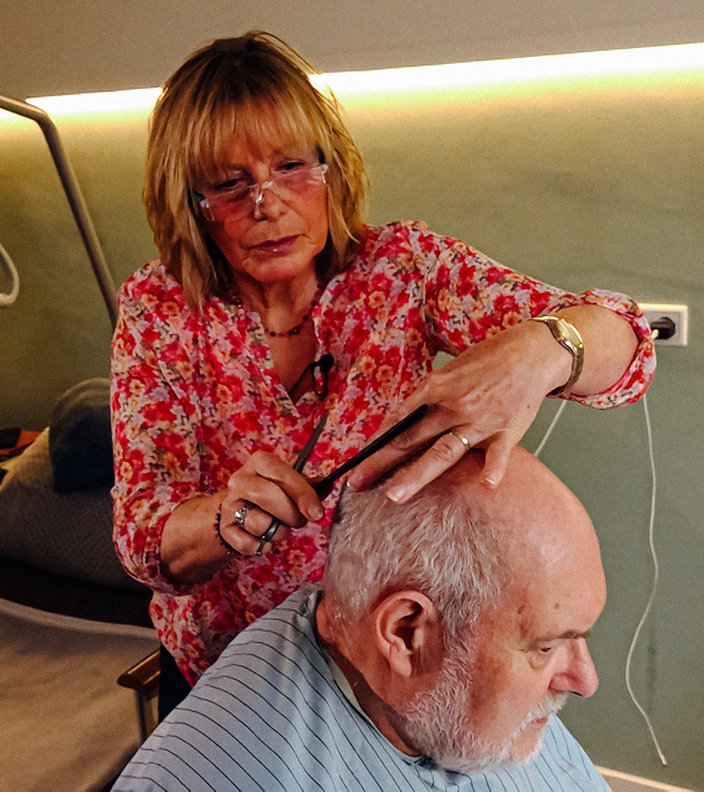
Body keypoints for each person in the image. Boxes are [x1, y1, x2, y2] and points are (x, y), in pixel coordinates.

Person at [110, 30, 655, 710]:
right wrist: (227, 519)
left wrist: (546, 348)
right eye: (229, 184)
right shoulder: (160, 308)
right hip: (222, 668)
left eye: (292, 168)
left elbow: (630, 342)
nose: (267, 204)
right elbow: (142, 537)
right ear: (189, 201)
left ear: (331, 168)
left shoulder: (404, 268)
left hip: (384, 659)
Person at [113, 446, 611, 791]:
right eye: (547, 646)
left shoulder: (467, 707)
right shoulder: (204, 775)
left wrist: (553, 349)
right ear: (405, 633)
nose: (585, 681)